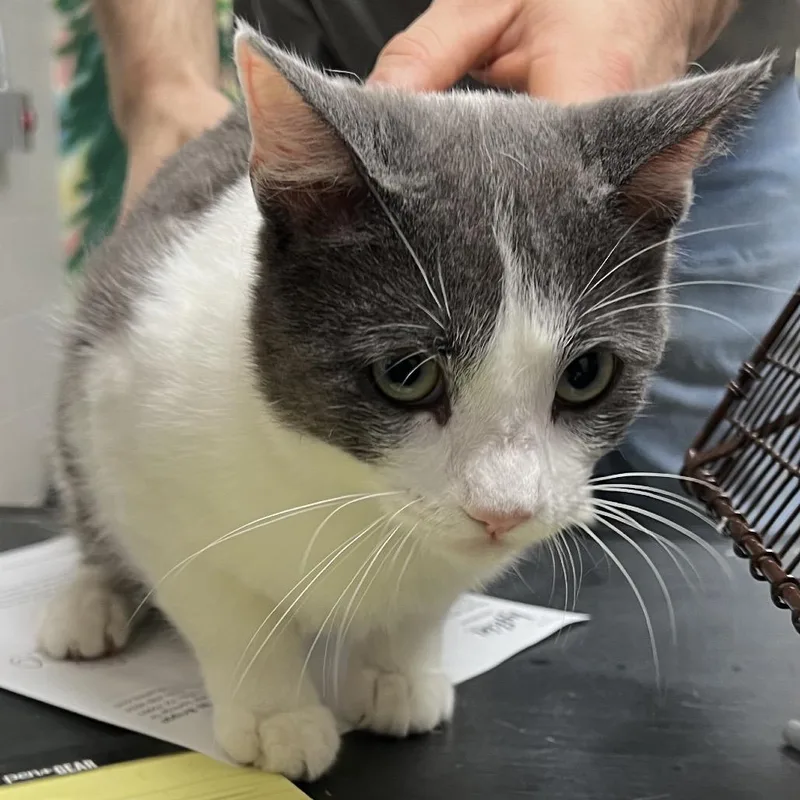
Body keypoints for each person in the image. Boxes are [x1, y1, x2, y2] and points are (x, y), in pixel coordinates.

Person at [90, 0, 800, 481]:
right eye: (411, 374)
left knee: (694, 501)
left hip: (652, 107)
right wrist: (161, 85)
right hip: (341, 107)